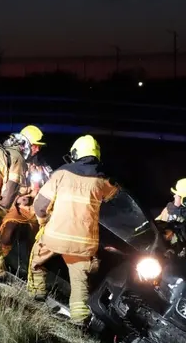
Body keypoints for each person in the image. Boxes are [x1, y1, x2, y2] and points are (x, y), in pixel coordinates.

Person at [27, 135, 118, 326]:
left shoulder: (61, 174)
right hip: (83, 243)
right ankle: (80, 318)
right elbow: (116, 200)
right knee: (79, 281)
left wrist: (44, 222)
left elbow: (40, 205)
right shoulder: (101, 182)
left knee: (37, 260)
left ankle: (36, 295)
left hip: (55, 236)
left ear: (76, 153)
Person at [0, 125, 45, 281]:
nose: (37, 150)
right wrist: (0, 213)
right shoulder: (17, 158)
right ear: (25, 144)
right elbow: (10, 193)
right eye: (35, 146)